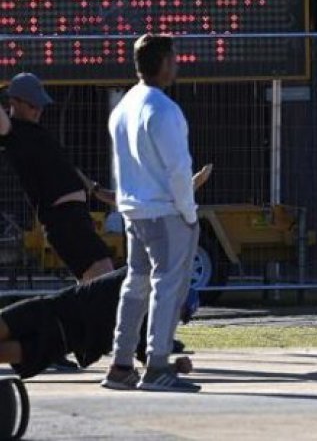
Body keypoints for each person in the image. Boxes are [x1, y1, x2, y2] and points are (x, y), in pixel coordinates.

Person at [103, 34, 201, 393]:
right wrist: (189, 213)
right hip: (165, 212)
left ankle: (121, 364)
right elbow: (178, 169)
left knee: (135, 284)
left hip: (134, 210)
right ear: (161, 63)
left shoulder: (124, 106)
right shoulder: (163, 109)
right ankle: (157, 365)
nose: (177, 64)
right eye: (173, 58)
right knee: (167, 285)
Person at [0, 73, 116, 282]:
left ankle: (70, 313)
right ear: (13, 102)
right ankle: (40, 314)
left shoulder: (41, 134)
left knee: (97, 282)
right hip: (62, 219)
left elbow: (68, 169)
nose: (38, 110)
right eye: (32, 105)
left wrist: (97, 191)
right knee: (103, 277)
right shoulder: (12, 133)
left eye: (40, 105)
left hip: (78, 216)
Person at [0, 267, 195, 380]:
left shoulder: (143, 314)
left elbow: (148, 360)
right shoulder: (142, 287)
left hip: (58, 331)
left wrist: (175, 367)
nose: (174, 320)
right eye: (178, 312)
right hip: (54, 321)